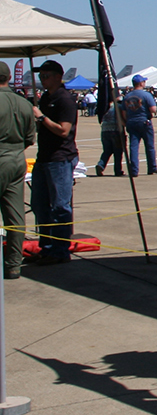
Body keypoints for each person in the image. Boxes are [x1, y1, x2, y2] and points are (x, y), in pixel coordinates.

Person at [30, 60, 78, 265]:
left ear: (58, 76)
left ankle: (60, 251)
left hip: (60, 158)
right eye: (40, 76)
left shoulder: (64, 99)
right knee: (39, 205)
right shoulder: (46, 98)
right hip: (44, 157)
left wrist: (41, 118)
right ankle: (47, 247)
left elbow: (64, 130)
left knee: (60, 207)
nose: (42, 79)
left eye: (46, 75)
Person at [0, 69, 36, 279]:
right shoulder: (24, 103)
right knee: (15, 215)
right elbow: (30, 138)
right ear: (9, 78)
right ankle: (13, 264)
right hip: (16, 159)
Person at [121, 75, 157, 176]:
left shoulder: (127, 96)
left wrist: (126, 121)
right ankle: (152, 167)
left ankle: (134, 170)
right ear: (141, 83)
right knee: (149, 146)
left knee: (133, 147)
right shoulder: (146, 95)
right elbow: (153, 109)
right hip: (144, 121)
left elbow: (123, 112)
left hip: (131, 122)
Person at [93, 96, 124, 177]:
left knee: (107, 151)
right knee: (118, 152)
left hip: (105, 130)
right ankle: (118, 170)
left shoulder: (105, 107)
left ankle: (101, 165)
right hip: (116, 130)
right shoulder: (118, 106)